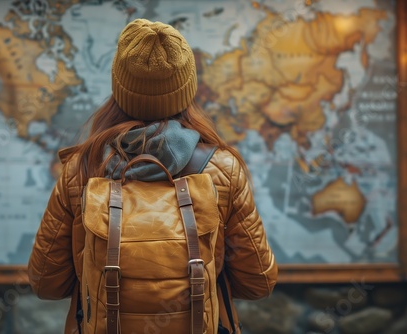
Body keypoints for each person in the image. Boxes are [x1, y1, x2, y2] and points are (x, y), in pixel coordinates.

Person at [28, 18, 278, 334]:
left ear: (119, 86)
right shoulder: (223, 170)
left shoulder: (82, 169)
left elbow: (45, 282)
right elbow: (258, 281)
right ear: (187, 89)